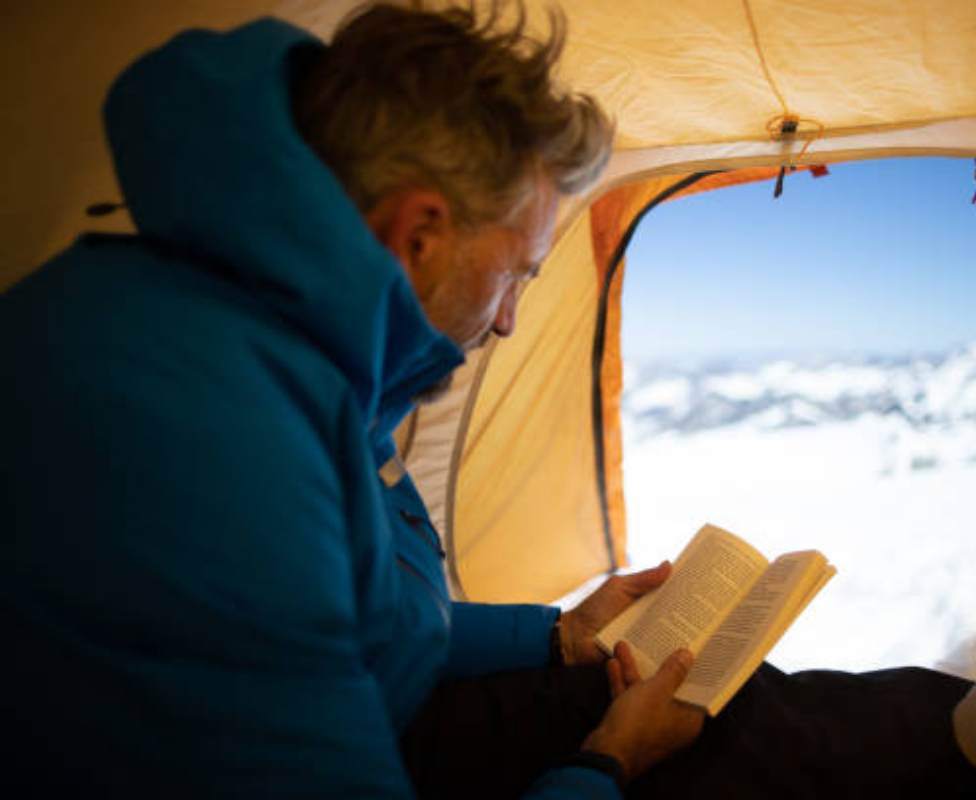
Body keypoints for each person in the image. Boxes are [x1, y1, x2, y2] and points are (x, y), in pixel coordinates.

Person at [1, 3, 701, 796]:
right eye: (515, 274)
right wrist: (610, 765)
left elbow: (358, 612)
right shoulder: (217, 447)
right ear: (418, 235)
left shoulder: (274, 344)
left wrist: (555, 633)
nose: (507, 321)